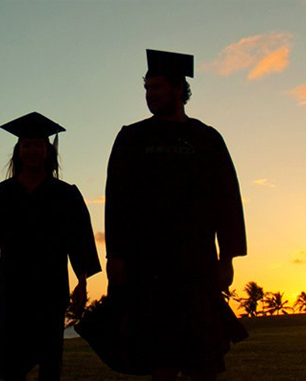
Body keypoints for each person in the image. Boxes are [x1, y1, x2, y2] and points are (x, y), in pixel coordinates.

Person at [104, 50, 247, 381]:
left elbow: (226, 200)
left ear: (179, 90)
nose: (150, 95)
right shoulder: (132, 138)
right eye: (147, 88)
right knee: (161, 359)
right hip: (146, 265)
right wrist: (116, 256)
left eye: (157, 87)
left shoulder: (206, 139)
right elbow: (117, 202)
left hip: (196, 264)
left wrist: (228, 257)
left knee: (203, 359)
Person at [0, 112, 101, 381]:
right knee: (11, 363)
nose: (32, 150)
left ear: (48, 151)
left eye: (38, 145)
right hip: (14, 286)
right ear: (18, 151)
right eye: (26, 145)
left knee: (50, 361)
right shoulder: (1, 195)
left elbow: (80, 238)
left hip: (51, 288)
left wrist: (83, 279)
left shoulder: (66, 195)